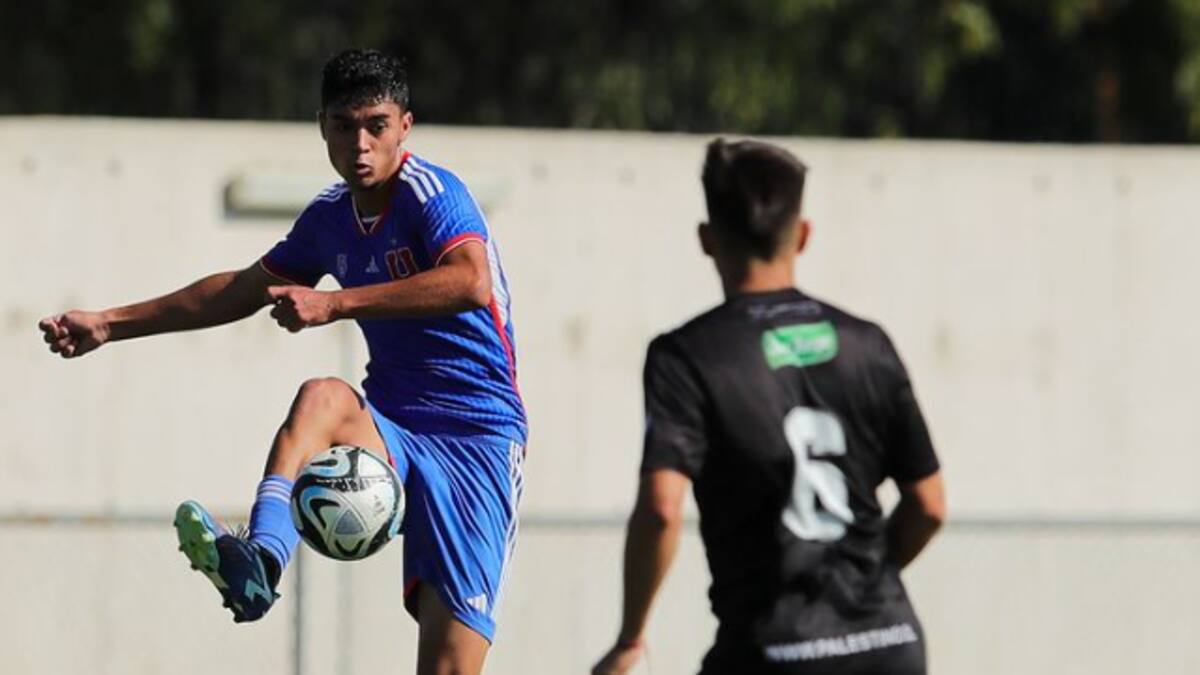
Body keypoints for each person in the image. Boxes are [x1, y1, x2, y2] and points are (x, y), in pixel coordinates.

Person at [37, 48, 524, 675]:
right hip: (392, 424)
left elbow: (470, 281)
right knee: (320, 396)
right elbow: (240, 290)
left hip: (477, 441)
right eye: (344, 126)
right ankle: (261, 561)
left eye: (376, 124)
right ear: (321, 125)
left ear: (405, 126)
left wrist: (336, 302)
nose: (361, 143)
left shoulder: (432, 192)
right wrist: (109, 322)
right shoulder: (328, 217)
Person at [592, 139, 945, 675]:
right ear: (802, 235)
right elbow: (930, 505)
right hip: (890, 642)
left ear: (707, 240)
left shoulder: (685, 356)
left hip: (775, 652)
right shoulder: (869, 344)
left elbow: (663, 509)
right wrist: (859, 590)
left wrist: (630, 637)